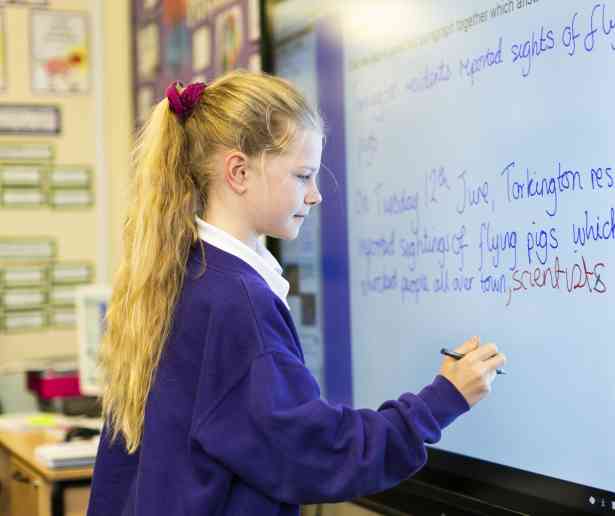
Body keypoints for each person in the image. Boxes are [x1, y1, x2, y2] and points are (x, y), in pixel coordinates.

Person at [87, 70, 507, 516]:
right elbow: (316, 453)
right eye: (303, 176)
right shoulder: (235, 302)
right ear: (239, 172)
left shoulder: (182, 272)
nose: (315, 196)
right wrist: (441, 400)